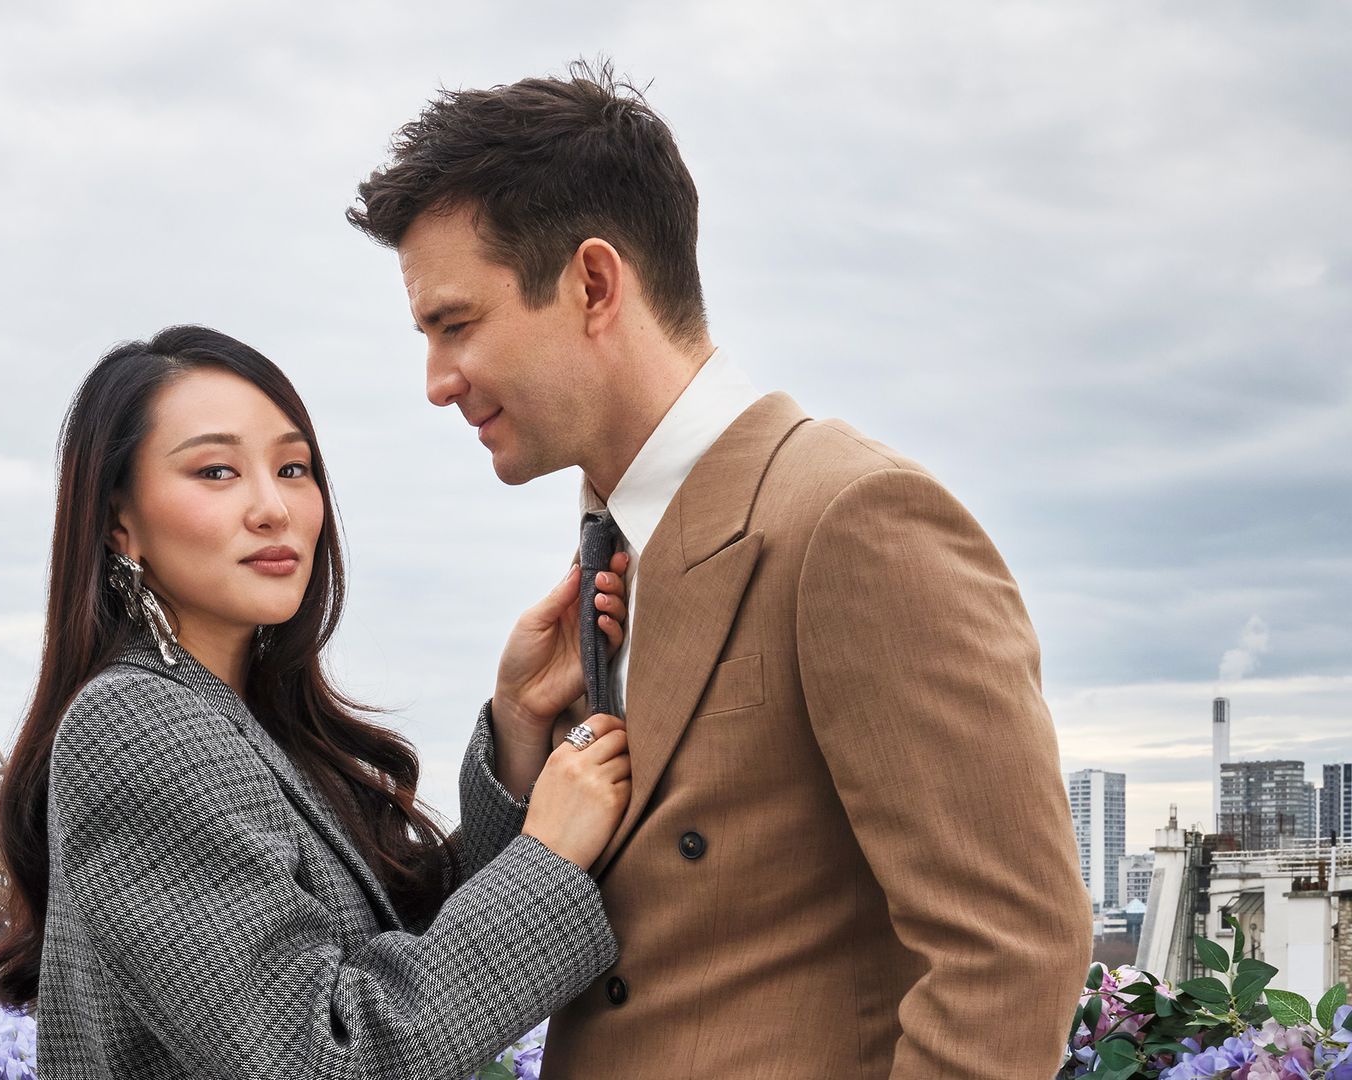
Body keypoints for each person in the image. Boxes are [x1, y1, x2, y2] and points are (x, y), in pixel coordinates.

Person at [347, 61, 1094, 1077]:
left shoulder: (852, 518)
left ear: (594, 285)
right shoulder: (617, 549)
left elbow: (1011, 952)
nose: (437, 383)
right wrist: (519, 736)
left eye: (456, 325)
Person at [0, 324, 641, 1079]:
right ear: (118, 524)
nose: (274, 508)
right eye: (216, 471)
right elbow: (319, 1060)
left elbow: (406, 952)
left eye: (293, 468)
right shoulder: (134, 723)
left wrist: (518, 723)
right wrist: (549, 854)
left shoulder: (250, 724)